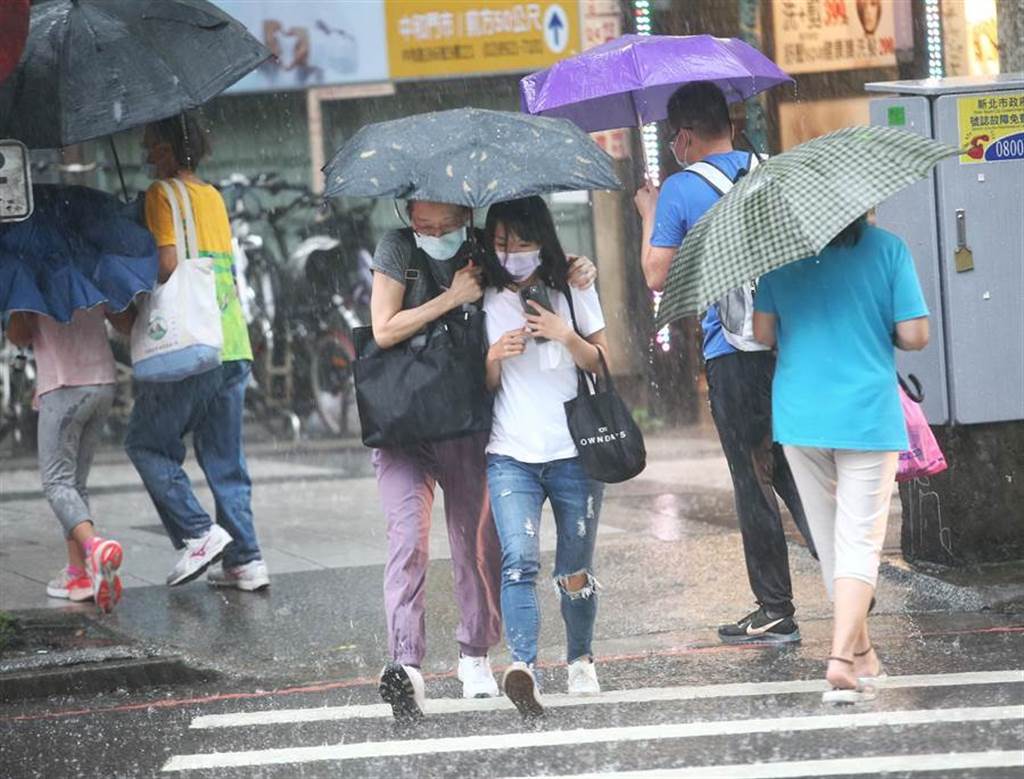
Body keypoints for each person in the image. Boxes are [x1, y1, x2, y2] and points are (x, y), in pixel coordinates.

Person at [369, 198, 596, 718]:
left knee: (475, 542)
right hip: (402, 420)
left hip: (466, 420)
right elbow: (383, 329)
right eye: (423, 223)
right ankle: (407, 666)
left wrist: (579, 267)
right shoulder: (397, 248)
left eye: (446, 224)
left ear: (463, 214)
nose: (434, 232)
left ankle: (475, 654)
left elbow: (536, 267)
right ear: (407, 211)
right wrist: (449, 298)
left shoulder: (483, 250)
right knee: (407, 540)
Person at [633, 81, 814, 644]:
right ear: (729, 123)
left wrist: (648, 210)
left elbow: (656, 276)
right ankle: (845, 570)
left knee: (753, 478)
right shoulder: (768, 168)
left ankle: (775, 607)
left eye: (673, 139)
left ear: (683, 136)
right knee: (792, 466)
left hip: (733, 352)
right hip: (788, 343)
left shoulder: (681, 189)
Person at [751, 216, 929, 702]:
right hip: (866, 414)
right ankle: (841, 658)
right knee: (859, 540)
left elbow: (762, 332)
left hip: (800, 414)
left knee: (832, 540)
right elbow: (915, 335)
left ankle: (864, 654)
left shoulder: (776, 254)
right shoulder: (888, 249)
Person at [121, 114, 268, 592]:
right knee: (226, 461)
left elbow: (167, 263)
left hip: (189, 344)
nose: (146, 156)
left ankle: (198, 532)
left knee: (146, 443)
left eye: (150, 147)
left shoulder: (160, 194)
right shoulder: (213, 195)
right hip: (231, 341)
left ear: (168, 148)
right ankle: (246, 561)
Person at [481, 197, 608, 717]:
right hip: (510, 452)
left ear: (543, 240)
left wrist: (565, 333)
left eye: (523, 241)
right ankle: (524, 667)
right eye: (502, 242)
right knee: (518, 562)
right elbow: (482, 387)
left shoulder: (573, 285)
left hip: (575, 451)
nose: (512, 252)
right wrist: (492, 358)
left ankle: (580, 658)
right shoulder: (482, 296)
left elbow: (604, 363)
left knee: (574, 567)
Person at [5, 308, 124, 612]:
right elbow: (121, 319)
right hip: (102, 383)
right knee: (74, 484)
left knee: (57, 481)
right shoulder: (89, 265)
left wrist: (17, 307)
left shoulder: (34, 274)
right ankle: (78, 575)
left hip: (63, 384)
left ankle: (95, 548)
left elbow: (17, 336)